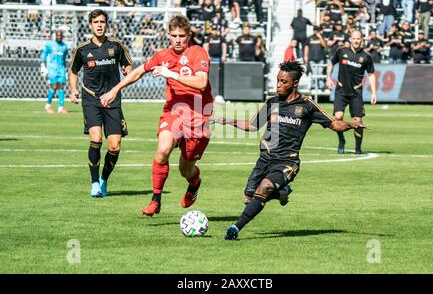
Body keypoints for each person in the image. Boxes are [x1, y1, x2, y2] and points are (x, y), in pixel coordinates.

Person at [212, 61, 368, 240]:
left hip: (287, 161)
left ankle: (235, 228)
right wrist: (226, 120)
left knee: (265, 187)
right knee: (249, 197)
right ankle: (281, 193)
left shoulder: (307, 106)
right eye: (277, 80)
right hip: (264, 159)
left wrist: (350, 124)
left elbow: (334, 124)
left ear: (295, 83)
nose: (278, 85)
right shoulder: (272, 103)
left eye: (283, 82)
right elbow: (252, 125)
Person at [99, 14, 213, 217]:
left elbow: (201, 82)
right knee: (163, 149)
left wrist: (172, 75)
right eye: (174, 35)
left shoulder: (198, 53)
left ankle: (194, 184)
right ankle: (156, 200)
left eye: (182, 35)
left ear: (189, 35)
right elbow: (137, 72)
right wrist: (115, 90)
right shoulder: (162, 56)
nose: (178, 40)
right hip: (173, 113)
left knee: (186, 169)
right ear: (168, 35)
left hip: (198, 116)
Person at [69, 9, 133, 198]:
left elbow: (128, 65)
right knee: (96, 138)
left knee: (115, 146)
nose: (99, 25)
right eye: (95, 22)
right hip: (91, 99)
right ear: (90, 25)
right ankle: (94, 183)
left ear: (106, 24)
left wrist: (128, 70)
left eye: (102, 22)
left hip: (112, 100)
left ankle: (104, 179)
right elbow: (73, 71)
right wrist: (73, 89)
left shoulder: (117, 46)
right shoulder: (82, 49)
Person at [326, 29, 377, 155]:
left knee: (358, 121)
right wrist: (328, 77)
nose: (356, 41)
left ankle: (358, 149)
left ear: (362, 40)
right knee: (338, 118)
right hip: (341, 90)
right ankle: (341, 139)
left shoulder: (366, 57)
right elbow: (331, 63)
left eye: (358, 38)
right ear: (350, 40)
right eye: (354, 38)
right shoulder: (341, 51)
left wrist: (374, 92)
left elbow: (371, 74)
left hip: (356, 92)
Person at [41, 30, 69, 114]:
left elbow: (64, 58)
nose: (59, 37)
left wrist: (65, 69)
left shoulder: (64, 46)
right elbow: (44, 54)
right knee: (54, 86)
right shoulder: (50, 45)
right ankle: (48, 105)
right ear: (55, 36)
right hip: (52, 69)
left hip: (61, 69)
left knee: (61, 86)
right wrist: (43, 65)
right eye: (58, 36)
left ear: (62, 37)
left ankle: (60, 107)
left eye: (60, 36)